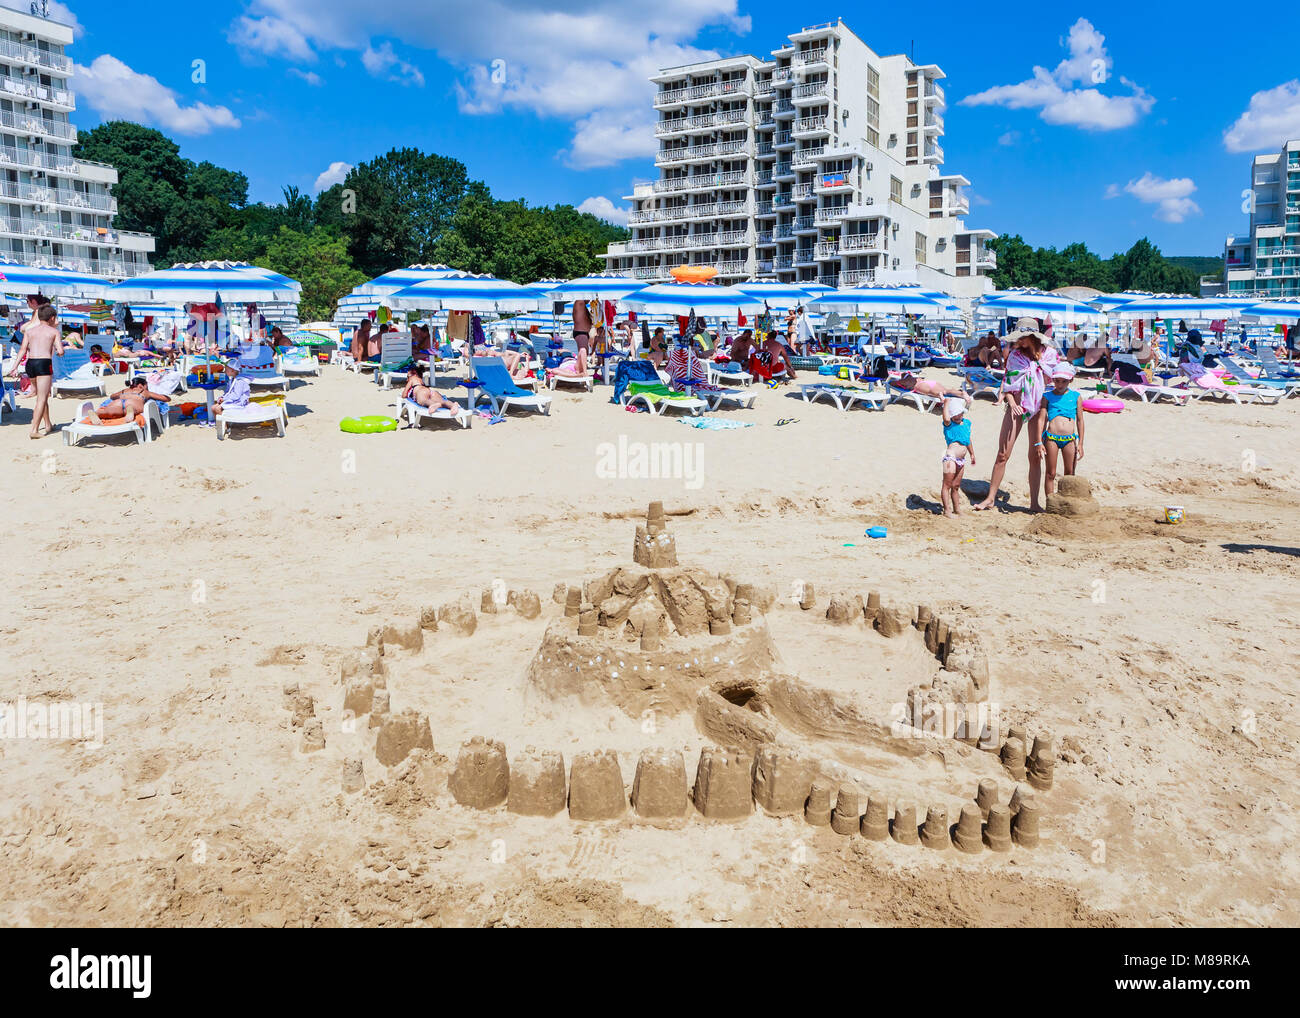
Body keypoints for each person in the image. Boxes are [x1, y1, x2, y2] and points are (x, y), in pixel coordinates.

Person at [972, 318, 1050, 513]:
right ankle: (990, 498)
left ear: (1033, 337)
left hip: (1039, 406)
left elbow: (1054, 381)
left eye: (1023, 337)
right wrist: (1012, 402)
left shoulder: (1049, 355)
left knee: (1035, 457)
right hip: (1016, 404)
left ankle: (1034, 503)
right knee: (1002, 454)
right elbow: (1007, 385)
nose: (1019, 341)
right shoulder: (1015, 355)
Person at [6, 304, 63, 439]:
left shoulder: (29, 331)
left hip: (30, 364)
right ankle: (34, 430)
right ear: (52, 317)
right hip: (44, 363)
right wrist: (59, 350)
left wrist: (14, 366)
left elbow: (22, 350)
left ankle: (48, 424)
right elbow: (60, 351)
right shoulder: (54, 332)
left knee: (41, 397)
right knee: (42, 398)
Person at [1042, 363, 1084, 496]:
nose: (1060, 384)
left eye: (1064, 381)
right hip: (1051, 438)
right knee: (1051, 473)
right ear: (1053, 380)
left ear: (1071, 380)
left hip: (1070, 439)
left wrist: (1081, 444)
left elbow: (1080, 420)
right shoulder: (1047, 396)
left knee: (1069, 473)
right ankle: (1050, 502)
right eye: (1057, 381)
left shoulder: (1076, 396)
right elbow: (1042, 420)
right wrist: (1038, 441)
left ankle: (1067, 500)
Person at [84, 376, 173, 425]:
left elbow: (112, 396)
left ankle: (97, 413)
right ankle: (130, 411)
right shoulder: (144, 391)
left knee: (110, 412)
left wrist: (122, 396)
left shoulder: (124, 390)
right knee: (131, 407)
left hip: (118, 402)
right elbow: (166, 399)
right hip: (132, 403)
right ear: (141, 385)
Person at [940, 396, 975, 519]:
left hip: (961, 460)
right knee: (947, 485)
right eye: (954, 415)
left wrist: (972, 453)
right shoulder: (949, 424)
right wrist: (946, 403)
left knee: (956, 486)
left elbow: (967, 440)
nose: (957, 417)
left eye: (959, 414)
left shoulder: (966, 423)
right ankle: (947, 510)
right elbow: (945, 417)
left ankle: (957, 509)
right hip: (950, 458)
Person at [572, 298, 593, 376]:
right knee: (583, 350)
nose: (590, 299)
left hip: (583, 333)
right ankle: (584, 372)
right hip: (580, 332)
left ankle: (579, 369)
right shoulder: (579, 302)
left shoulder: (583, 306)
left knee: (585, 352)